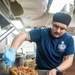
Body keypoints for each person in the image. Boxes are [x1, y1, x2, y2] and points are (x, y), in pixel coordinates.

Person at [2, 12, 74, 75]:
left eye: (62, 28)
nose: (58, 31)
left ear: (66, 28)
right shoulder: (41, 33)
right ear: (51, 23)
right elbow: (22, 36)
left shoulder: (68, 39)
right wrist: (12, 50)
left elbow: (69, 60)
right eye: (56, 26)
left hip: (57, 71)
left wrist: (57, 70)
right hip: (39, 71)